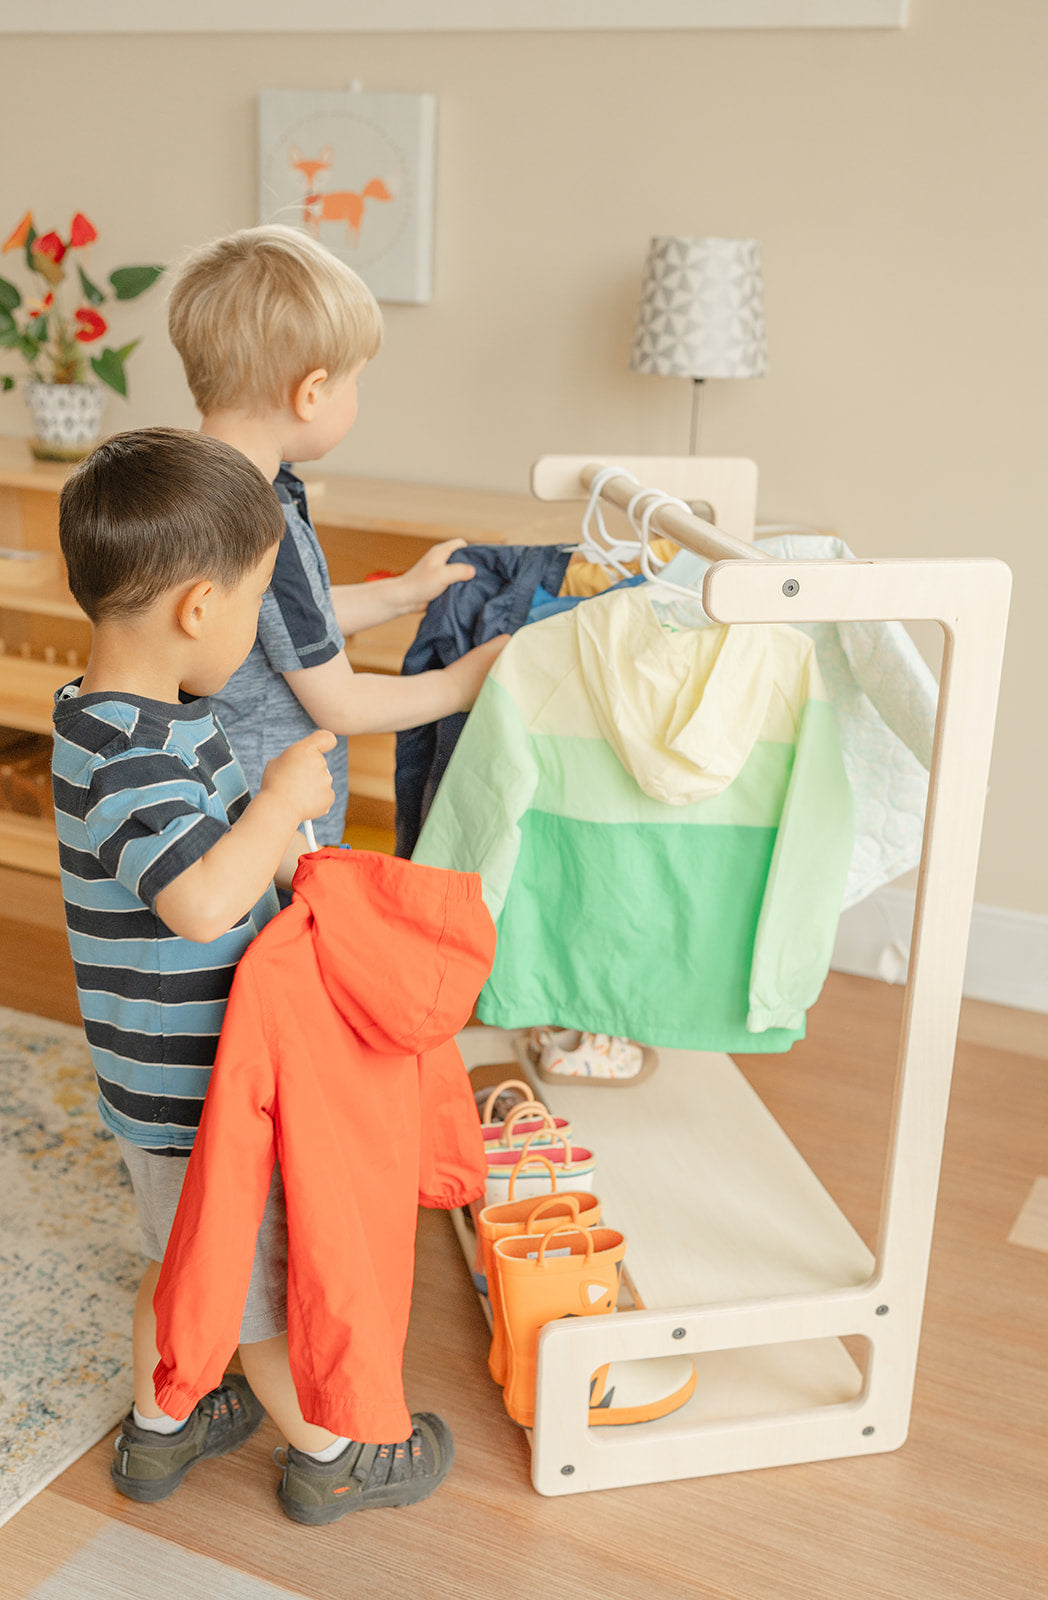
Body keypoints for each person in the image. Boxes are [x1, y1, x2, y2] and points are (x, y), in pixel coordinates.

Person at [52, 428, 454, 1517]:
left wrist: (289, 844)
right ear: (196, 608)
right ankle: (334, 1452)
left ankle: (159, 1428)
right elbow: (196, 900)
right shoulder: (121, 761)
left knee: (176, 1264)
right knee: (259, 1292)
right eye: (253, 605)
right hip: (194, 1089)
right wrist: (277, 806)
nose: (256, 635)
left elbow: (229, 843)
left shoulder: (152, 721)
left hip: (177, 1079)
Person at [167, 223, 507, 889]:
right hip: (270, 823)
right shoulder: (262, 520)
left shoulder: (186, 484)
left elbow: (282, 624)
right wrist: (462, 684)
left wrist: (400, 594)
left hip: (200, 797)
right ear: (311, 391)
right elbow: (341, 703)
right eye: (355, 382)